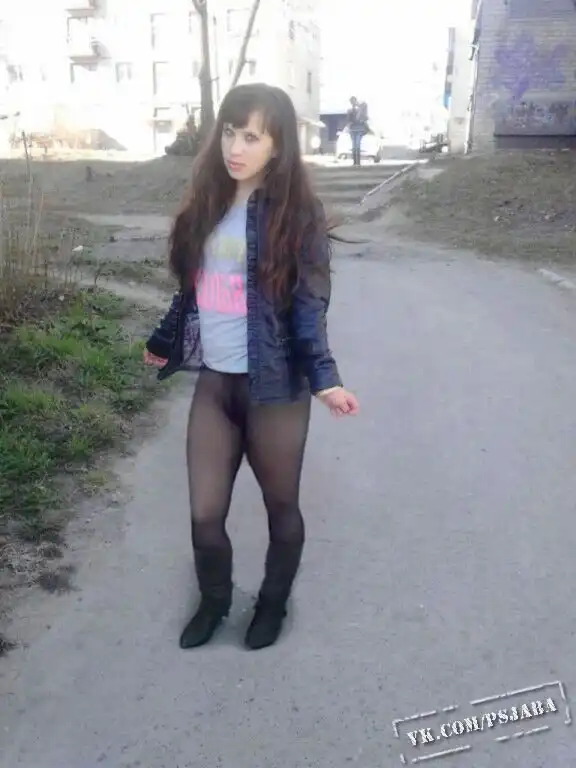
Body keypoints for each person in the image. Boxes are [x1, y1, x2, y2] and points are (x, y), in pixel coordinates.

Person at [143, 82, 359, 652]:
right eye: (230, 133)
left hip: (276, 389)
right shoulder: (207, 204)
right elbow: (190, 290)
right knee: (204, 512)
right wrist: (165, 338)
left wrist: (325, 379)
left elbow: (309, 307)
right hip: (216, 384)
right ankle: (215, 601)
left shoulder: (297, 216)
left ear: (278, 145)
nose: (235, 148)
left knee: (280, 507)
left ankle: (273, 603)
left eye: (252, 137)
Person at [346, 96, 369, 166]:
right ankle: (355, 162)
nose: (352, 103)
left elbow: (365, 117)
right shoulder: (350, 110)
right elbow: (348, 120)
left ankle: (358, 162)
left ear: (356, 101)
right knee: (354, 146)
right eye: (351, 101)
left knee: (357, 145)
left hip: (359, 129)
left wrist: (362, 118)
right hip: (353, 130)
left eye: (353, 101)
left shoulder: (361, 107)